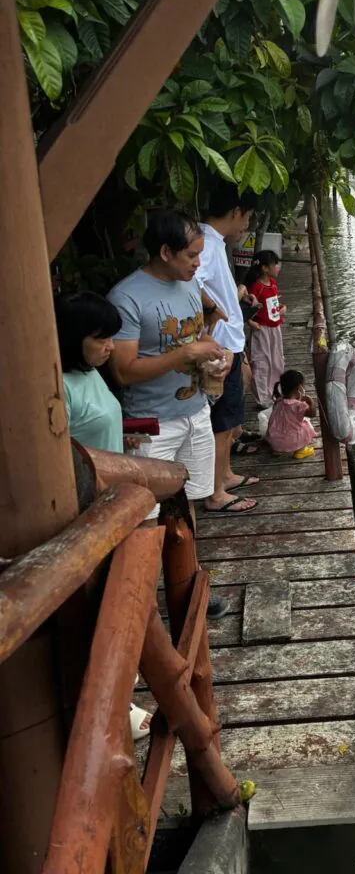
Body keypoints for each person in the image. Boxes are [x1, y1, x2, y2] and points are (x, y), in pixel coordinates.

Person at [107, 209, 231, 617]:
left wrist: (215, 359)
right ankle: (140, 605)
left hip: (195, 410)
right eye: (192, 255)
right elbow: (124, 371)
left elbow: (197, 339)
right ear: (165, 251)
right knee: (147, 516)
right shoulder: (127, 297)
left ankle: (187, 585)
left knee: (187, 505)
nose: (199, 263)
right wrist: (187, 352)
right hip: (151, 424)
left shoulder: (189, 285)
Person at [54, 290, 152, 740]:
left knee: (118, 597)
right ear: (76, 338)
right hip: (83, 509)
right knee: (97, 606)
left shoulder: (89, 374)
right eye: (101, 338)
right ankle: (116, 710)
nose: (111, 346)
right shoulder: (59, 390)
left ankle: (123, 682)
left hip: (112, 499)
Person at [196, 183, 260, 514]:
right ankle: (215, 491)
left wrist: (232, 296)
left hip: (229, 342)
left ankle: (225, 475)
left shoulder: (213, 243)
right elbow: (191, 282)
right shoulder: (205, 244)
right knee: (221, 423)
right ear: (235, 212)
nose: (246, 224)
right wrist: (214, 311)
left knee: (228, 418)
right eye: (247, 216)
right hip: (221, 345)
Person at [246, 249, 286, 410]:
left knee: (277, 360)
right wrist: (250, 322)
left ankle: (275, 392)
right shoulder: (256, 288)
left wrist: (282, 308)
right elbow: (244, 308)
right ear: (264, 268)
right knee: (261, 362)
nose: (278, 267)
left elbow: (273, 305)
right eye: (275, 264)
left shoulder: (273, 284)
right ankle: (262, 398)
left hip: (275, 328)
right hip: (261, 329)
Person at [266, 370, 317, 459]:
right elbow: (313, 414)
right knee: (306, 426)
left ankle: (277, 450)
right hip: (291, 441)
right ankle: (300, 451)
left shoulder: (278, 401)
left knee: (281, 425)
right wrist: (311, 401)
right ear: (299, 388)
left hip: (274, 441)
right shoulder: (299, 405)